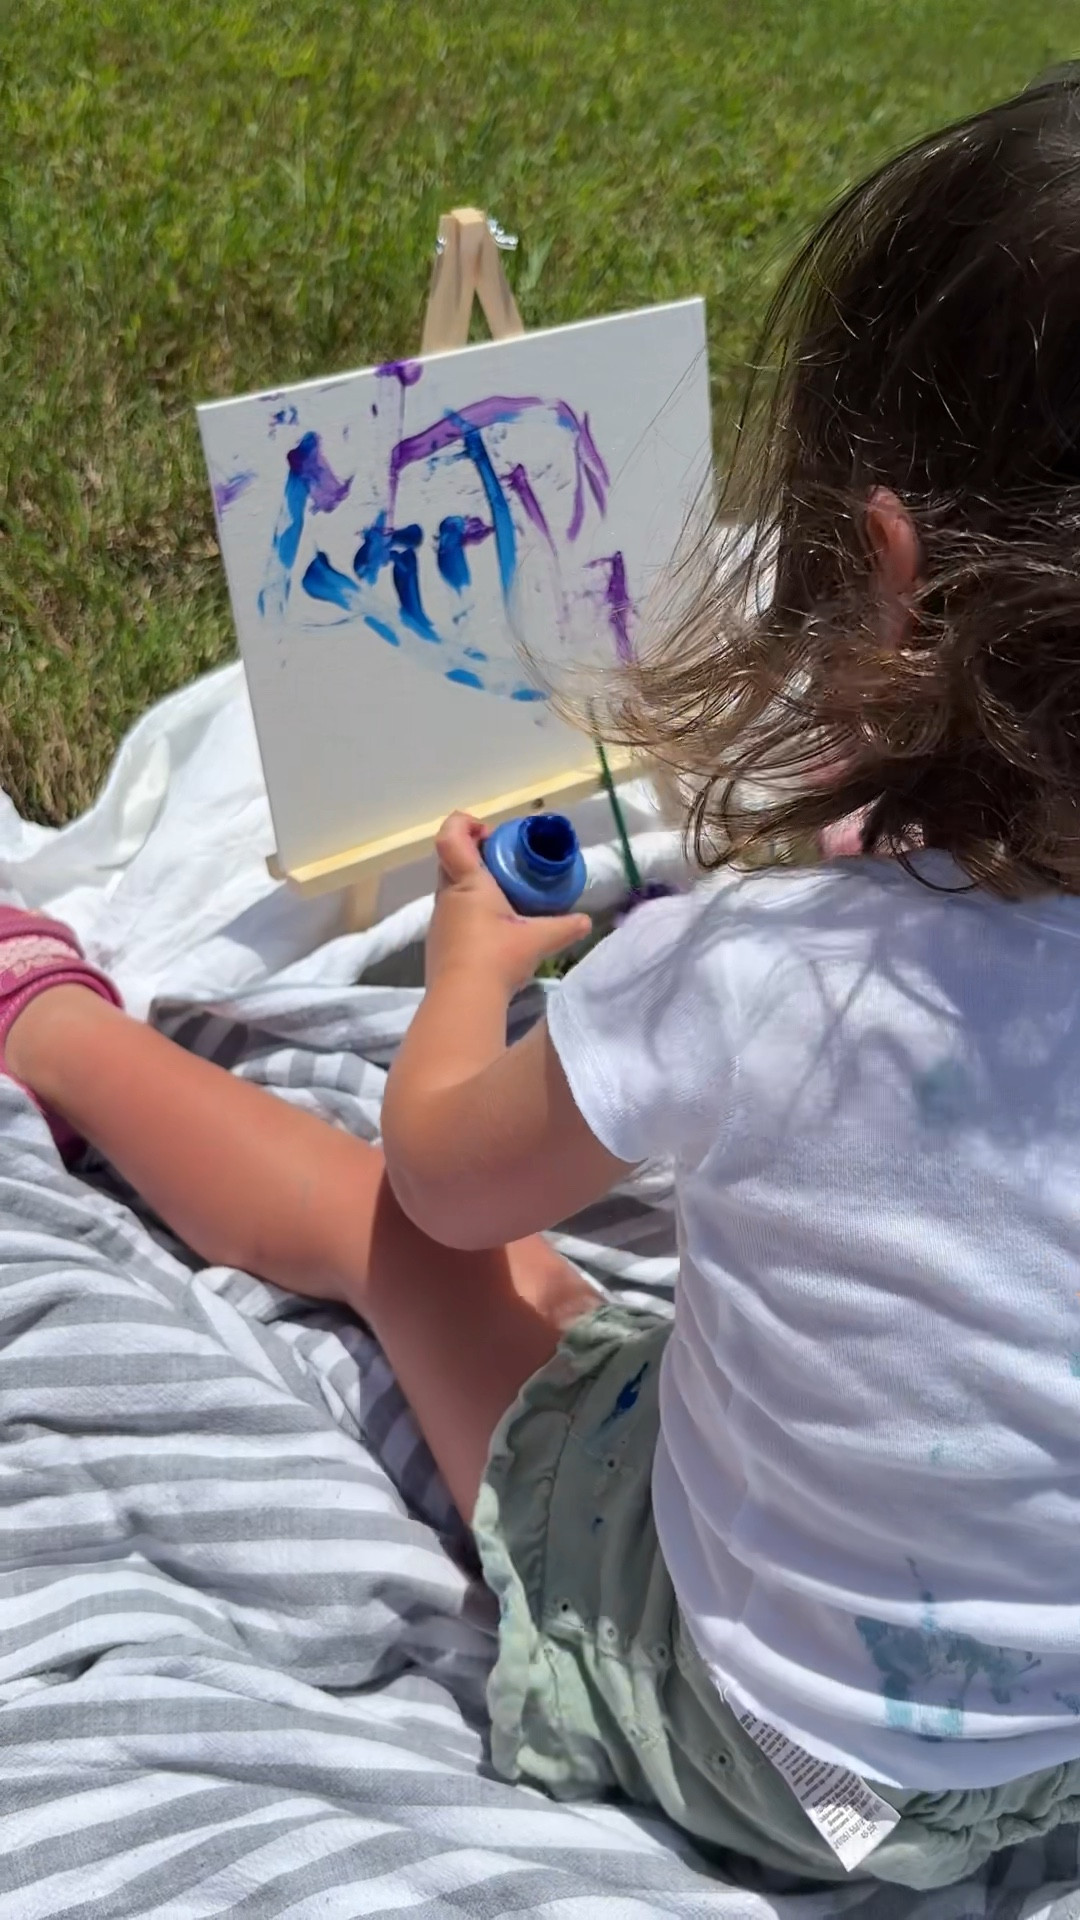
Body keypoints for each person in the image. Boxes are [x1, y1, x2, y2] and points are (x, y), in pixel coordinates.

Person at [6, 70, 1080, 1892]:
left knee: (411, 1243)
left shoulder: (762, 979)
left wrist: (464, 972)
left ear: (889, 580)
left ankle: (53, 1027)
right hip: (1043, 1762)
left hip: (762, 1733)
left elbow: (442, 1169)